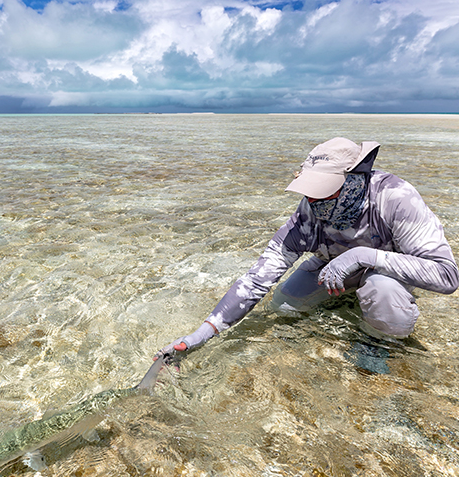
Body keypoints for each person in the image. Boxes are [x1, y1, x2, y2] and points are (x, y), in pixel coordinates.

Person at [157, 137, 458, 365]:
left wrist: (363, 256)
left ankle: (378, 345)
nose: (314, 202)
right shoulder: (308, 214)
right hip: (329, 267)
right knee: (283, 306)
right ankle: (345, 301)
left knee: (382, 289)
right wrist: (203, 333)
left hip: (386, 271)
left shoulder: (396, 198)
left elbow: (447, 276)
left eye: (324, 190)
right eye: (310, 192)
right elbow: (256, 279)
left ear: (355, 179)